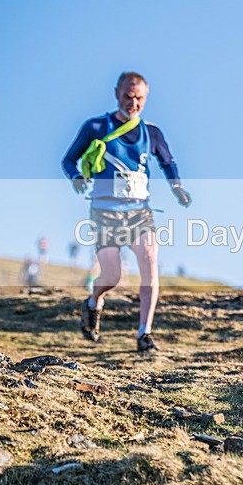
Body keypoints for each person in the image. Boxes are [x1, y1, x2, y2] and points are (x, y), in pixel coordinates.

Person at [62, 71, 192, 352]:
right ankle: (93, 302)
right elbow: (68, 159)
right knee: (112, 277)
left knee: (149, 261)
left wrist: (177, 187)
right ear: (117, 94)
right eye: (128, 96)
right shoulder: (96, 127)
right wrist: (76, 177)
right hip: (105, 213)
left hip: (139, 212)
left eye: (139, 98)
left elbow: (168, 162)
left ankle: (145, 334)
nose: (133, 103)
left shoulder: (151, 133)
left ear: (146, 97)